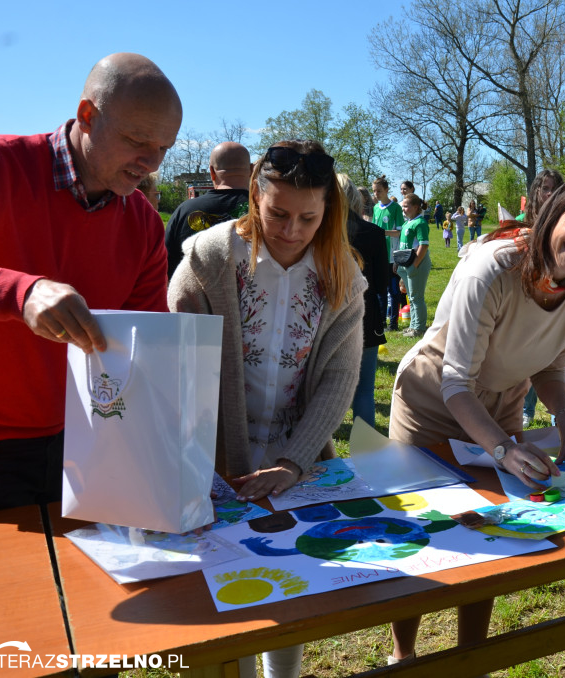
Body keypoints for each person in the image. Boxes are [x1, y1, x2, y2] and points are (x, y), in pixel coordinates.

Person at [386, 163, 565, 667]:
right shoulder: (494, 268)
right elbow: (456, 381)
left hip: (501, 405)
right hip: (433, 405)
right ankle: (405, 654)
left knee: (495, 529)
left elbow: (549, 366)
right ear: (552, 215)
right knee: (423, 537)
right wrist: (502, 448)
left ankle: (471, 657)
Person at [169, 140, 365, 678]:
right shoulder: (209, 260)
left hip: (293, 457)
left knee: (291, 581)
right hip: (211, 458)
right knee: (228, 593)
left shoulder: (342, 274)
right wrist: (200, 461)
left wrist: (296, 460)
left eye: (309, 217)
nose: (291, 230)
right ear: (254, 194)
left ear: (329, 211)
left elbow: (338, 379)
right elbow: (180, 370)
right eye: (277, 213)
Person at [0, 52, 181, 513]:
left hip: (88, 443)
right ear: (87, 116)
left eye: (164, 148)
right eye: (136, 140)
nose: (150, 162)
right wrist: (21, 293)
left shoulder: (145, 227)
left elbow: (143, 345)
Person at [338, 173, 388, 428]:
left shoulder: (318, 232)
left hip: (326, 314)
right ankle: (365, 448)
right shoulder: (374, 233)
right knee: (364, 388)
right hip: (364, 313)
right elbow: (381, 283)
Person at [518, 169, 564, 427]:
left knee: (538, 356)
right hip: (518, 291)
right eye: (545, 188)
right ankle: (514, 404)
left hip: (548, 293)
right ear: (535, 191)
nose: (549, 194)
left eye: (554, 189)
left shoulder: (563, 223)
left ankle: (528, 408)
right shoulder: (520, 221)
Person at [165, 141, 251, 279]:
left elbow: (166, 266)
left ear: (212, 172)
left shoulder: (185, 210)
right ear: (251, 170)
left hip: (194, 297)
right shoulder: (265, 211)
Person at [397, 193, 432, 338]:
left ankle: (419, 328)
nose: (404, 209)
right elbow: (403, 245)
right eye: (403, 206)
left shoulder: (420, 223)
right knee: (411, 297)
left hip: (418, 262)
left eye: (406, 206)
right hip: (407, 263)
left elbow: (423, 246)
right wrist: (398, 263)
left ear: (416, 207)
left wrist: (414, 266)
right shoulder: (407, 223)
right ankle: (413, 325)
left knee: (417, 296)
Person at [372, 175, 404, 330]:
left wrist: (381, 233)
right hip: (379, 255)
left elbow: (399, 232)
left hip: (392, 256)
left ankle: (393, 323)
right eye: (374, 191)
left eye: (378, 191)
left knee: (394, 290)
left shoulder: (395, 208)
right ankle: (382, 322)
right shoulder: (376, 208)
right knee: (381, 291)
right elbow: (374, 229)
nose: (376, 194)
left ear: (386, 190)